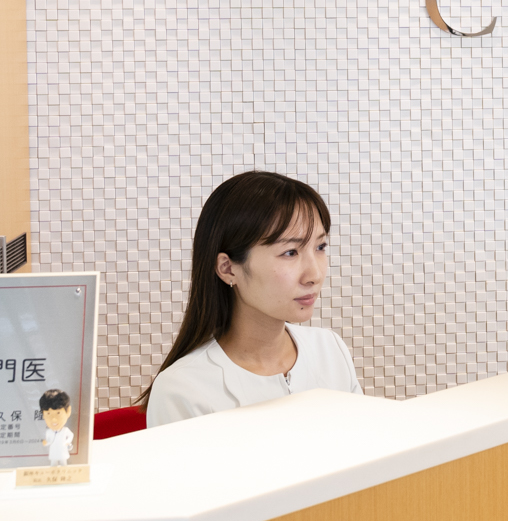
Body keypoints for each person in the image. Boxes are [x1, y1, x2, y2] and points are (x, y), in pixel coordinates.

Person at [143, 171, 362, 427]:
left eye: (320, 247)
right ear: (228, 268)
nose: (314, 275)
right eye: (290, 252)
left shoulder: (330, 350)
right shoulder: (182, 390)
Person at [39, 389, 75, 465]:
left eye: (58, 413)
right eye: (48, 413)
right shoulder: (48, 432)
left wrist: (67, 442)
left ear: (68, 411)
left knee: (63, 464)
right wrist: (46, 443)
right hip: (53, 451)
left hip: (62, 450)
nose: (53, 419)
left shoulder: (65, 430)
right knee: (53, 464)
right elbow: (49, 441)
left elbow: (71, 435)